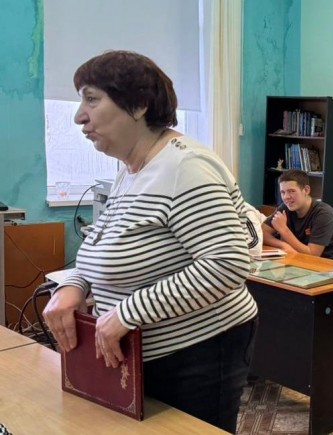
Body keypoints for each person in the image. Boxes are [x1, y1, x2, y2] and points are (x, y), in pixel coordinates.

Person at [42, 50, 257, 433]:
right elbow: (102, 244)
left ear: (139, 105)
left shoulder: (185, 168)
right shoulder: (132, 169)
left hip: (198, 352)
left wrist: (128, 313)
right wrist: (74, 284)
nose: (79, 116)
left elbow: (227, 263)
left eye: (92, 99)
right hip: (143, 351)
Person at [262, 169, 333, 261]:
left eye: (291, 191)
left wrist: (283, 230)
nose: (286, 197)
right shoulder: (286, 207)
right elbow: (262, 233)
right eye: (283, 192)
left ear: (306, 190)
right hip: (300, 260)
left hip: (330, 265)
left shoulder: (324, 214)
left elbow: (312, 254)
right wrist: (283, 245)